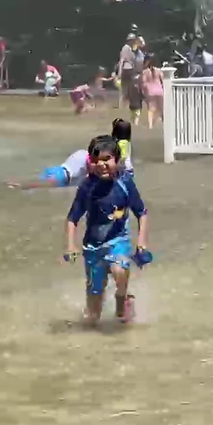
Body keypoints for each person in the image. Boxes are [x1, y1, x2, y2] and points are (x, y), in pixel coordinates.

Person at [65, 135, 150, 325]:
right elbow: (72, 219)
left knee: (119, 269)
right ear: (90, 162)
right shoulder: (87, 187)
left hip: (117, 240)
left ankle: (122, 300)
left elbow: (142, 213)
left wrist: (142, 241)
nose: (102, 164)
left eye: (107, 159)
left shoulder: (125, 183)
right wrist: (71, 245)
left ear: (117, 160)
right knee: (93, 316)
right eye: (96, 160)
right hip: (93, 247)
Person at [7, 147, 90, 190]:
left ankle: (8, 182)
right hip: (63, 177)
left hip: (56, 169)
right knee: (32, 186)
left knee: (33, 180)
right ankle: (19, 186)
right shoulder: (91, 160)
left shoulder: (81, 152)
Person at [141, 55, 164, 129]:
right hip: (160, 91)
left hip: (150, 91)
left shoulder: (145, 72)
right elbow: (163, 81)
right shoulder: (159, 71)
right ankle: (164, 123)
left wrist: (143, 92)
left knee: (151, 109)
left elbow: (143, 84)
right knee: (161, 109)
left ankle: (150, 126)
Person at [119, 33, 138, 103]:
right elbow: (122, 60)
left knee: (129, 88)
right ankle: (122, 102)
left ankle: (126, 102)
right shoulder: (126, 48)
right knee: (125, 88)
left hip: (129, 69)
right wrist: (119, 72)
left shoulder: (130, 49)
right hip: (127, 69)